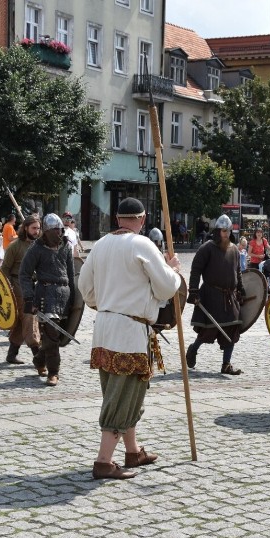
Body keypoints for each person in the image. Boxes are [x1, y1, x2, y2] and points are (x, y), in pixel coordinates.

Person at [78, 197, 182, 480]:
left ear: (117, 218)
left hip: (105, 327)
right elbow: (165, 289)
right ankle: (103, 461)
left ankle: (133, 451)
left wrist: (107, 302)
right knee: (123, 395)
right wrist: (172, 270)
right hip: (130, 331)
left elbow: (84, 287)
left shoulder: (100, 245)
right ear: (143, 219)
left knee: (120, 391)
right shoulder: (142, 244)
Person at [19, 213, 75, 386]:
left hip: (63, 295)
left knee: (55, 336)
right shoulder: (36, 248)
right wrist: (29, 297)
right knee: (51, 335)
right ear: (48, 231)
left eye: (60, 230)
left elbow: (71, 273)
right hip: (45, 294)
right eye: (55, 230)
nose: (59, 233)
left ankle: (39, 359)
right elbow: (24, 274)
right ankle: (53, 372)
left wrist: (73, 297)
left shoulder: (66, 246)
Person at [185, 214, 246, 375]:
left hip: (229, 296)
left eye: (228, 231)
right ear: (217, 231)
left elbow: (237, 271)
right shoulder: (207, 248)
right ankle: (193, 349)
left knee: (232, 328)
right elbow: (196, 270)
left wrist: (240, 288)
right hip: (211, 295)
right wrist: (193, 291)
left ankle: (226, 364)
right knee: (208, 330)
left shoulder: (234, 250)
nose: (225, 234)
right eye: (222, 231)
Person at [1, 215, 42, 365]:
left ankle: (12, 354)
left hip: (33, 286)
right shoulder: (15, 246)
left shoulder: (39, 245)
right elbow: (4, 269)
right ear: (25, 228)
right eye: (33, 228)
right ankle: (38, 356)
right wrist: (8, 289)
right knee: (30, 318)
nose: (36, 231)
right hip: (17, 287)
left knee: (21, 321)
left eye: (38, 228)